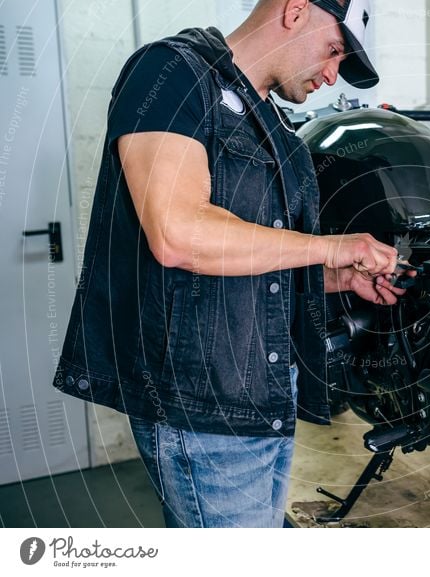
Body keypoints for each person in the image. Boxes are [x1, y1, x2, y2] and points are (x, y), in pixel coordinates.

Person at [54, 0, 408, 527]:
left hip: (263, 392)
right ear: (294, 12)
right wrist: (330, 248)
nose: (333, 76)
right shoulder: (173, 73)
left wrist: (337, 278)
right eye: (334, 50)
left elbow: (255, 258)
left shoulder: (278, 132)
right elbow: (177, 234)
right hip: (204, 401)